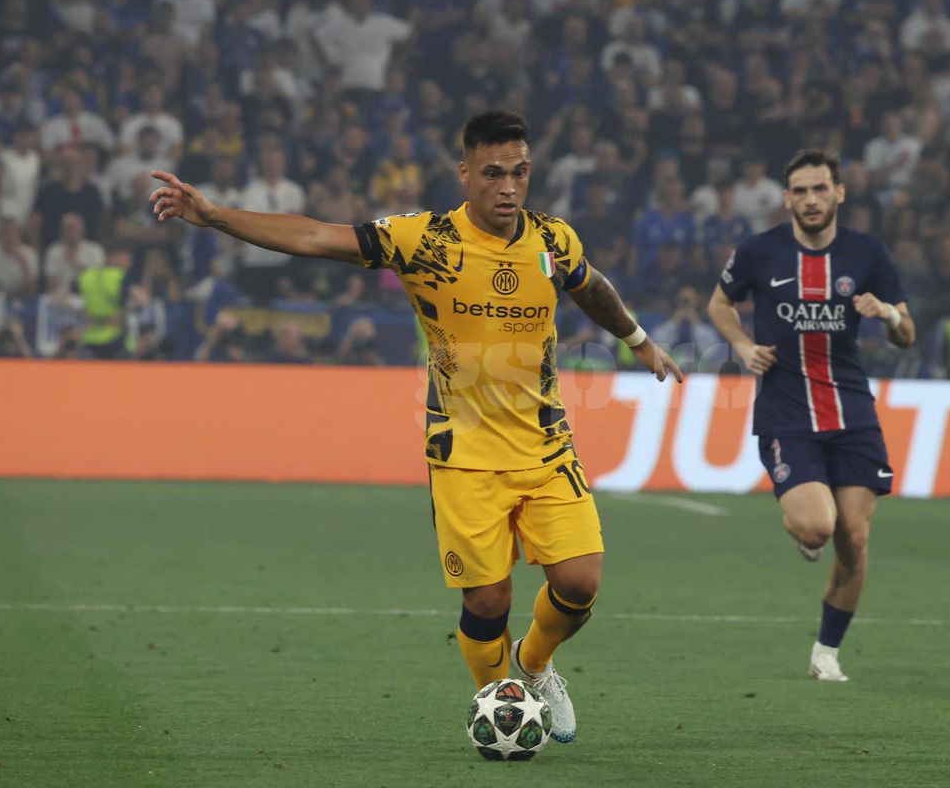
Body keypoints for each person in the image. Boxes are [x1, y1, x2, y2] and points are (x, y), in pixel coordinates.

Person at [150, 110, 682, 743]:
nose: (508, 187)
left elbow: (590, 286)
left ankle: (535, 665)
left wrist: (638, 339)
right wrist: (214, 215)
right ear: (465, 174)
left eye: (520, 173)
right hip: (462, 453)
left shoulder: (553, 240)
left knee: (580, 583)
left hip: (545, 446)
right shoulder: (423, 240)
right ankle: (498, 703)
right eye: (493, 173)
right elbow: (315, 236)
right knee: (487, 602)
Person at [706, 149, 916, 682]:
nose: (811, 200)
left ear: (839, 192)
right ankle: (805, 534)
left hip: (851, 412)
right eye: (800, 191)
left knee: (855, 539)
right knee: (819, 526)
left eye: (820, 188)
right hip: (786, 413)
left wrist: (887, 314)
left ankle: (827, 651)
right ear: (787, 199)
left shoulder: (867, 253)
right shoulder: (760, 251)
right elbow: (719, 304)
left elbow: (907, 332)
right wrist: (742, 346)